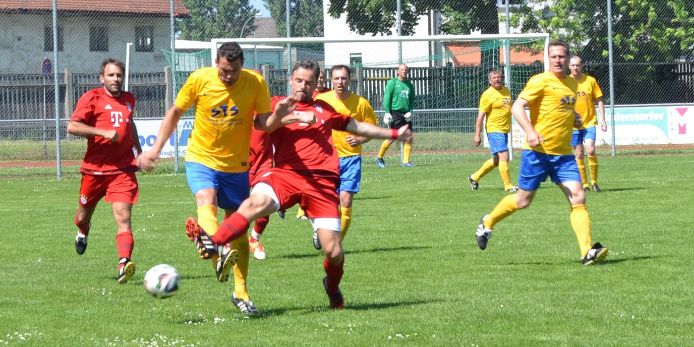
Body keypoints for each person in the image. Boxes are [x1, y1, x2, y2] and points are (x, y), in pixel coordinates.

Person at [186, 60, 411, 310]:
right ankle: (215, 241)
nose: (303, 86)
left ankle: (332, 286)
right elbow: (252, 118)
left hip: (321, 184)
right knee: (254, 204)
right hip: (285, 174)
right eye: (299, 81)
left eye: (309, 82)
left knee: (334, 251)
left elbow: (356, 126)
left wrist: (393, 134)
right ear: (291, 80)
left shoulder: (324, 108)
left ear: (316, 84)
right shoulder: (273, 105)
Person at [138, 42, 306, 315]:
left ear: (242, 66)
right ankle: (217, 251)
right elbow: (175, 112)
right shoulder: (199, 79)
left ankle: (241, 292)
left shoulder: (255, 82)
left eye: (235, 71)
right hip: (201, 158)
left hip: (237, 166)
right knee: (206, 198)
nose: (230, 76)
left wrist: (280, 117)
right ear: (217, 63)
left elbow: (262, 124)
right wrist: (155, 149)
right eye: (225, 70)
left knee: (238, 226)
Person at [475, 41, 609, 266]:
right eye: (554, 56)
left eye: (562, 57)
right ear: (548, 58)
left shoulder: (572, 84)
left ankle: (587, 250)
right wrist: (530, 131)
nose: (558, 60)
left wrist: (574, 118)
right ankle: (487, 222)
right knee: (522, 201)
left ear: (568, 59)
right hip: (537, 153)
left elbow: (565, 109)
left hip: (564, 155)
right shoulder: (539, 81)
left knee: (579, 198)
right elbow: (517, 107)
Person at [67, 58, 141, 284]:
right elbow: (72, 126)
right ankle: (83, 231)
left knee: (124, 218)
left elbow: (131, 125)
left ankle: (123, 263)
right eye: (111, 75)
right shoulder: (92, 98)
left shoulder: (129, 99)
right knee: (82, 216)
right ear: (102, 78)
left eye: (119, 75)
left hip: (122, 170)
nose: (116, 79)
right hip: (94, 171)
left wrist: (139, 150)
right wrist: (103, 132)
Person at [312, 64, 378, 250]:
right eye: (336, 78)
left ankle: (336, 242)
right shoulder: (321, 100)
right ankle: (320, 230)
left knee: (346, 199)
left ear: (349, 80)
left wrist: (361, 138)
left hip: (351, 158)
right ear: (331, 80)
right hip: (326, 159)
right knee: (328, 202)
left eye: (343, 78)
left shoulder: (361, 103)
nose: (340, 82)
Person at [468, 70, 518, 193]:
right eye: (494, 78)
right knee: (504, 156)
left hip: (504, 130)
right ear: (490, 81)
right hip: (494, 129)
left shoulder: (506, 91)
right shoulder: (487, 94)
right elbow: (480, 116)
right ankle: (508, 186)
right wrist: (477, 134)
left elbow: (509, 108)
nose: (497, 79)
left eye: (499, 77)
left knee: (497, 160)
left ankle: (474, 177)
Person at [296, 69, 332, 220]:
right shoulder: (306, 95)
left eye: (323, 78)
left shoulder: (329, 96)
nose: (321, 81)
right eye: (319, 79)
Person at [569, 55, 607, 193]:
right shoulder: (566, 82)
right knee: (578, 155)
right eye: (573, 65)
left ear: (582, 66)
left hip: (590, 122)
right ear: (569, 66)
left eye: (577, 65)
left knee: (590, 150)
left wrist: (602, 120)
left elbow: (600, 100)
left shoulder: (590, 81)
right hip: (573, 125)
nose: (575, 68)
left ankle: (594, 182)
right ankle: (584, 184)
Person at [375, 64, 416, 168]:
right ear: (398, 71)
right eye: (402, 70)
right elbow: (387, 98)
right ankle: (379, 157)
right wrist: (387, 112)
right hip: (395, 113)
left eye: (406, 70)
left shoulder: (409, 85)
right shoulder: (392, 83)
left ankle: (406, 161)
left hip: (406, 114)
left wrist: (410, 111)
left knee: (408, 136)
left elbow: (412, 100)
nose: (404, 71)